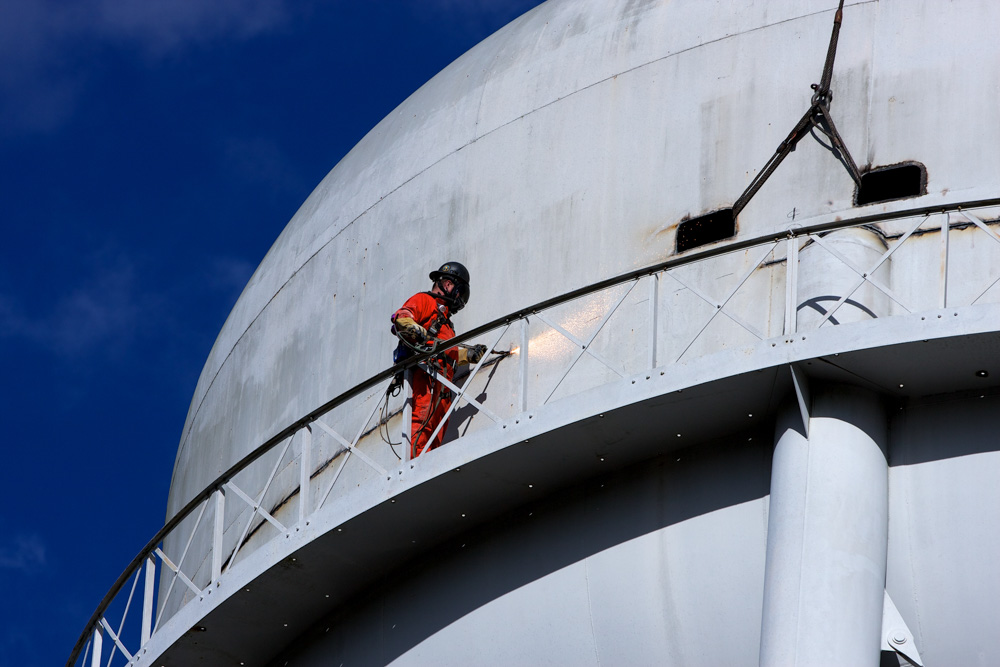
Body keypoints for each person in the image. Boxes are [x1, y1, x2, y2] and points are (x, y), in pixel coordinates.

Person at [391, 262, 486, 458]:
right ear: (449, 285)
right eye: (458, 291)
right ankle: (416, 466)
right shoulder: (425, 301)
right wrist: (417, 331)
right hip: (426, 379)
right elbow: (402, 318)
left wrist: (468, 356)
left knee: (437, 430)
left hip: (442, 388)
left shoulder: (448, 327)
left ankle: (428, 462)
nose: (458, 297)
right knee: (422, 422)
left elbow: (446, 354)